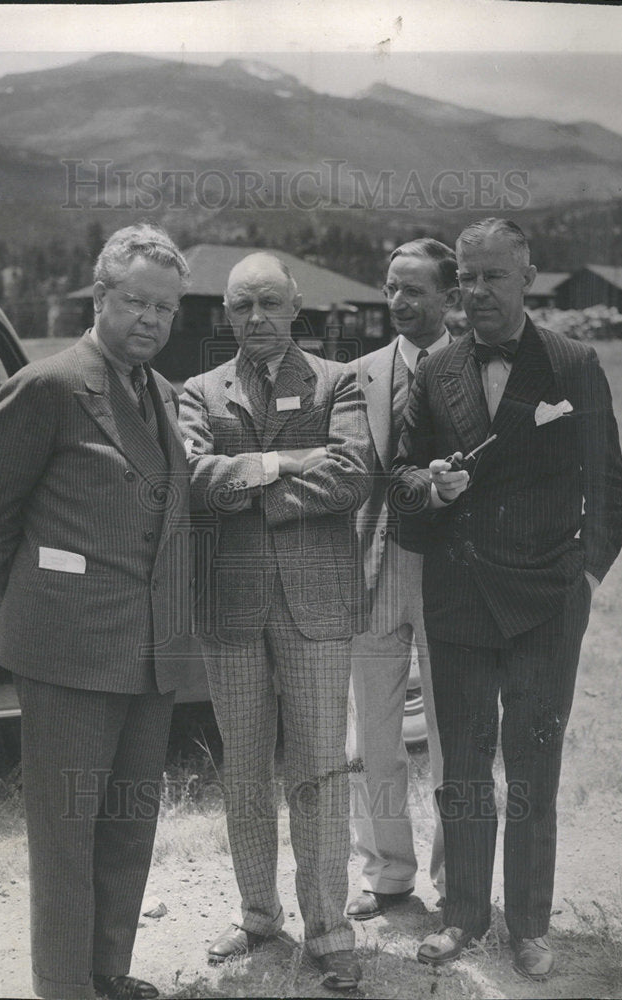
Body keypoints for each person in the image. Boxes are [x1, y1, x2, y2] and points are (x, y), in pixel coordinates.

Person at [0, 223, 191, 1000]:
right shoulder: (51, 386)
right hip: (66, 655)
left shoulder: (163, 395)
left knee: (128, 829)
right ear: (100, 296)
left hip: (149, 654)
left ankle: (106, 973)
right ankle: (64, 988)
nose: (152, 319)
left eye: (166, 307)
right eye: (137, 302)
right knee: (65, 839)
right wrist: (40, 587)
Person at [390, 219, 622, 980]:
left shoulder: (573, 364)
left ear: (527, 279)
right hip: (459, 597)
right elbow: (399, 481)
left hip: (545, 603)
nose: (479, 291)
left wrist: (583, 580)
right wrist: (430, 484)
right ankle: (462, 918)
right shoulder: (437, 372)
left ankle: (529, 924)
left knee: (531, 765)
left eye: (495, 277)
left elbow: (609, 488)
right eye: (468, 277)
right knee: (462, 764)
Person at [179, 252, 373, 991]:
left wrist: (249, 481)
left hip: (316, 607)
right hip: (229, 611)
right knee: (244, 770)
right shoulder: (199, 391)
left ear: (297, 305)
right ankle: (259, 914)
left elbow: (352, 474)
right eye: (239, 306)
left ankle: (328, 930)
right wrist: (284, 465)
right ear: (223, 314)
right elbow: (196, 479)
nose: (254, 319)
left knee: (321, 770)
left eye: (267, 303)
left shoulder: (338, 380)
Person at [345, 239, 458, 922]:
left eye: (414, 290)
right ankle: (387, 875)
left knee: (453, 738)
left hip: (450, 576)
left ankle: (455, 882)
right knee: (374, 740)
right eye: (391, 287)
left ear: (448, 296)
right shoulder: (356, 375)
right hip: (374, 573)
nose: (399, 302)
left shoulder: (478, 369)